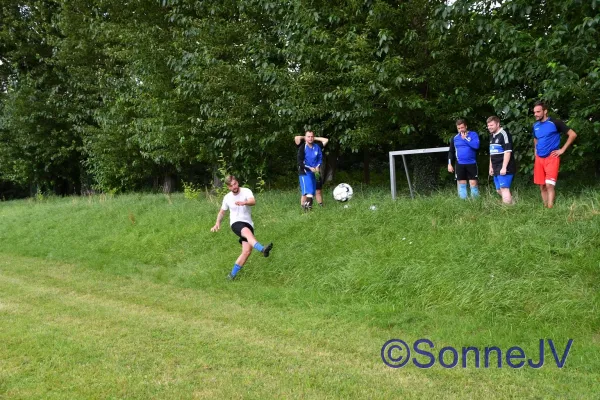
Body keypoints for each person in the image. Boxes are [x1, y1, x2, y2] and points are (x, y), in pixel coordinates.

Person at [210, 175, 273, 280]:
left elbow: (253, 201)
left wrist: (244, 202)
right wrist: (217, 223)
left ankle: (231, 276)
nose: (234, 187)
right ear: (228, 187)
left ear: (237, 182)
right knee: (247, 233)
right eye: (231, 186)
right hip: (236, 223)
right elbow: (222, 212)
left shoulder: (246, 191)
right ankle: (263, 249)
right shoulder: (227, 197)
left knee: (247, 251)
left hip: (248, 223)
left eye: (235, 184)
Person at [532, 101, 577, 208]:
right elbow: (535, 139)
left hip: (552, 157)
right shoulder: (535, 126)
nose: (536, 114)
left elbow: (573, 134)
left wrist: (562, 150)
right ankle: (545, 208)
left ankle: (550, 207)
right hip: (539, 158)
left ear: (545, 111)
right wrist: (535, 152)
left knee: (549, 185)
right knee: (542, 186)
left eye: (538, 112)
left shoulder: (555, 123)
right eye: (534, 112)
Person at [448, 119, 480, 199]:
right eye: (458, 128)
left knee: (473, 183)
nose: (460, 130)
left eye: (462, 128)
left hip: (471, 163)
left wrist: (465, 138)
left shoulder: (473, 134)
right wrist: (449, 164)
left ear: (466, 126)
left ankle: (475, 203)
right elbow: (451, 151)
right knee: (462, 184)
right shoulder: (455, 138)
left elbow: (476, 146)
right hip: (460, 164)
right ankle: (463, 203)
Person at [487, 116, 516, 205]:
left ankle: (507, 210)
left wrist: (504, 167)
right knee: (498, 190)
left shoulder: (504, 134)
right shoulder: (492, 136)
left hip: (504, 166)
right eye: (488, 126)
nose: (489, 127)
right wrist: (490, 167)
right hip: (495, 167)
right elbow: (492, 153)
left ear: (498, 124)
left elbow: (507, 152)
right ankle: (513, 203)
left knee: (504, 188)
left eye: (491, 125)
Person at [295, 130, 326, 210]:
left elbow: (320, 158)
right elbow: (299, 162)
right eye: (308, 136)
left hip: (315, 172)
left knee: (313, 191)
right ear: (305, 138)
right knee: (309, 192)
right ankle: (307, 211)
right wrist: (309, 168)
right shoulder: (302, 147)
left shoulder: (317, 147)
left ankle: (308, 209)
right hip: (305, 172)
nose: (310, 138)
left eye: (312, 136)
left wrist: (317, 166)